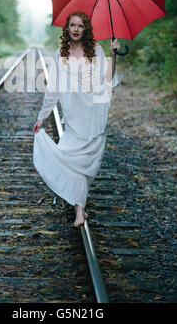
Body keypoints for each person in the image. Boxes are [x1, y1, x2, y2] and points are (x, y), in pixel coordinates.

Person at [32, 12, 122, 228]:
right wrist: (42, 117)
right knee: (69, 157)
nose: (75, 29)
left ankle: (79, 207)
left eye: (80, 26)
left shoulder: (97, 50)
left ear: (85, 29)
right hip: (74, 116)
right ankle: (79, 209)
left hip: (95, 113)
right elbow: (53, 90)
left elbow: (109, 79)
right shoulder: (59, 55)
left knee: (86, 163)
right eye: (72, 25)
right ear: (67, 29)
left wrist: (113, 55)